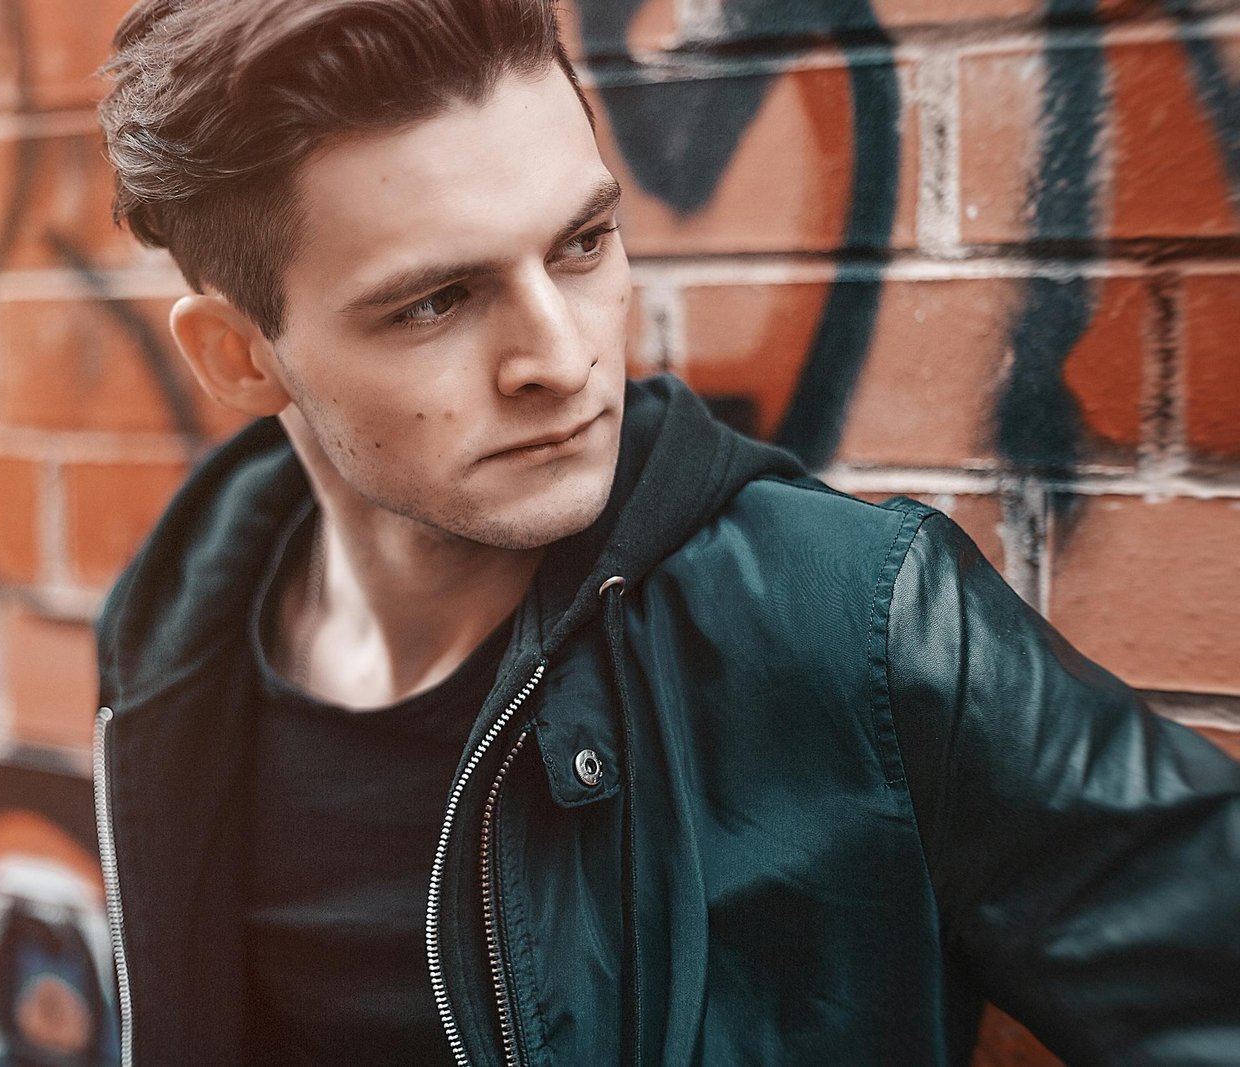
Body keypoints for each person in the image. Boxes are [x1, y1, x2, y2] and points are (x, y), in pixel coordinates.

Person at [89, 1, 1240, 1063]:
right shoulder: (173, 638)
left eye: (582, 244)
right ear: (239, 356)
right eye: (435, 301)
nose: (563, 355)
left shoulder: (851, 618)